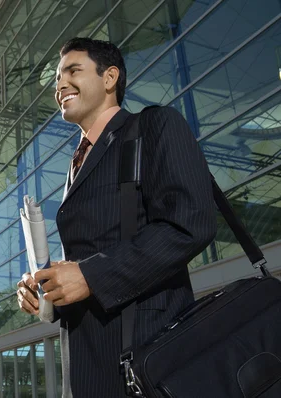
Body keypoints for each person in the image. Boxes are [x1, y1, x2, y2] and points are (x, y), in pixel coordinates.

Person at [16, 37, 217, 397]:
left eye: (72, 71)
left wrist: (89, 275)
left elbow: (191, 222)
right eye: (56, 79)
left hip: (146, 359)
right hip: (87, 365)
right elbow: (97, 251)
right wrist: (49, 288)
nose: (59, 85)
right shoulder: (78, 162)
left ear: (110, 78)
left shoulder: (154, 126)